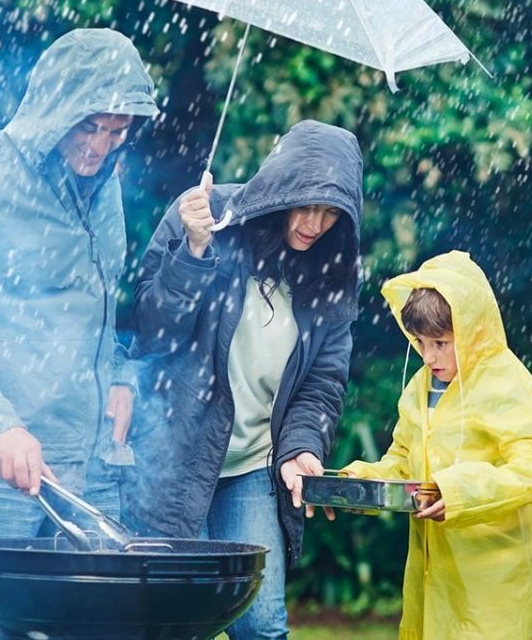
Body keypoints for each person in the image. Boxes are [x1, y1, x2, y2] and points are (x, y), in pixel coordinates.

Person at [0, 28, 159, 639]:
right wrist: (0, 427)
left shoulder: (106, 186)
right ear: (52, 109)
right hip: (0, 466)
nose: (100, 146)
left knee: (110, 626)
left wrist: (120, 376)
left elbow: (99, 310)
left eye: (117, 130)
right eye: (88, 126)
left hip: (93, 455)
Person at [115, 119, 362, 639]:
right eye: (306, 203)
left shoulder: (333, 269)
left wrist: (301, 449)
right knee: (173, 623)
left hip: (252, 464)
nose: (315, 223)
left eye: (331, 211)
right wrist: (195, 250)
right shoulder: (207, 216)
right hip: (175, 456)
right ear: (282, 185)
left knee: (262, 624)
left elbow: (322, 380)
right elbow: (153, 330)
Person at [341, 250, 532, 639]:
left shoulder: (509, 384)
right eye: (420, 342)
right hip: (430, 573)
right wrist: (359, 482)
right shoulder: (419, 388)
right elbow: (404, 461)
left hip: (490, 577)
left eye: (441, 342)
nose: (428, 356)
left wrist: (459, 491)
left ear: (472, 329)